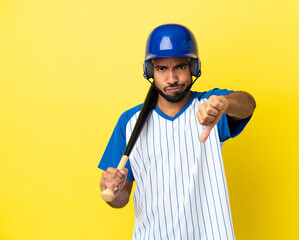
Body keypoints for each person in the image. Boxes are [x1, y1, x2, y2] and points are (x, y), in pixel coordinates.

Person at [98, 24, 256, 239]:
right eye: (162, 68)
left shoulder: (208, 106)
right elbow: (121, 197)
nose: (172, 79)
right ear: (150, 71)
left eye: (180, 67)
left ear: (192, 68)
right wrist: (112, 192)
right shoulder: (129, 121)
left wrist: (224, 103)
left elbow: (247, 103)